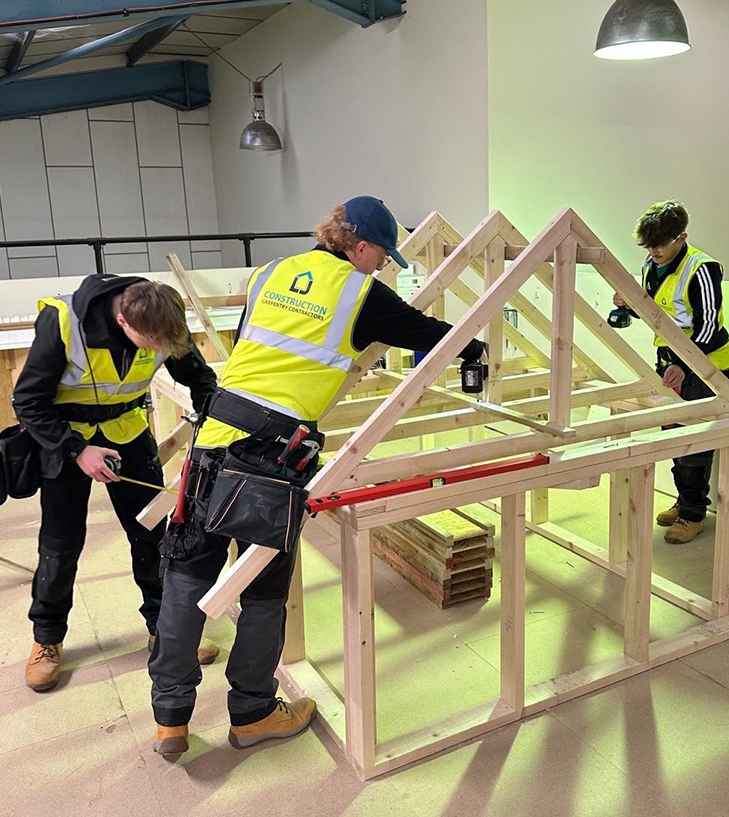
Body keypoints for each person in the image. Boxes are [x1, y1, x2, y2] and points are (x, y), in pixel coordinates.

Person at [148, 195, 487, 757]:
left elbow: (267, 347)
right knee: (263, 591)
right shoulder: (360, 293)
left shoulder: (270, 272)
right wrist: (473, 346)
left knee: (186, 576)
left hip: (213, 440)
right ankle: (252, 713)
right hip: (271, 457)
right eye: (382, 256)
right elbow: (425, 332)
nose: (383, 267)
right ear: (360, 247)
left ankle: (170, 719)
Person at [13, 275, 220, 691]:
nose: (156, 349)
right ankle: (47, 638)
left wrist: (212, 429)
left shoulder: (163, 319)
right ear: (123, 320)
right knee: (60, 544)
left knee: (153, 535)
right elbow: (28, 401)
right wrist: (76, 450)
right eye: (149, 342)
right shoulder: (63, 322)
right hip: (66, 437)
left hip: (127, 431)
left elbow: (199, 379)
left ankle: (164, 629)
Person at [613, 200, 729, 544]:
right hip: (671, 362)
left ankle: (693, 514)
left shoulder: (702, 268)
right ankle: (684, 502)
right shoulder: (651, 264)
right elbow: (655, 313)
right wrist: (629, 307)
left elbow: (708, 326)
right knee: (674, 434)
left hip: (706, 366)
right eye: (648, 245)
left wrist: (685, 364)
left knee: (695, 441)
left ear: (681, 237)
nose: (653, 252)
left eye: (660, 245)